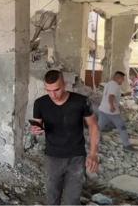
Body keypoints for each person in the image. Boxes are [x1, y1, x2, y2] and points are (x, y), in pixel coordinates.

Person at [30, 70, 99, 205]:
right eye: (48, 90)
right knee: (52, 197)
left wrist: (93, 153)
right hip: (52, 157)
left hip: (76, 157)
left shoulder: (81, 101)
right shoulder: (40, 103)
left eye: (56, 89)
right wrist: (35, 129)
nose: (53, 95)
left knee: (72, 199)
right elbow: (37, 124)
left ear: (65, 84)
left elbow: (93, 126)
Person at [98, 71, 136, 151]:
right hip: (111, 112)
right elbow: (111, 96)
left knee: (98, 127)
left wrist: (125, 94)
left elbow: (113, 95)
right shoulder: (115, 85)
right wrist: (112, 106)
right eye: (122, 79)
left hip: (102, 109)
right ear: (118, 78)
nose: (122, 81)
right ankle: (127, 145)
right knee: (122, 126)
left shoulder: (109, 84)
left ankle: (93, 141)